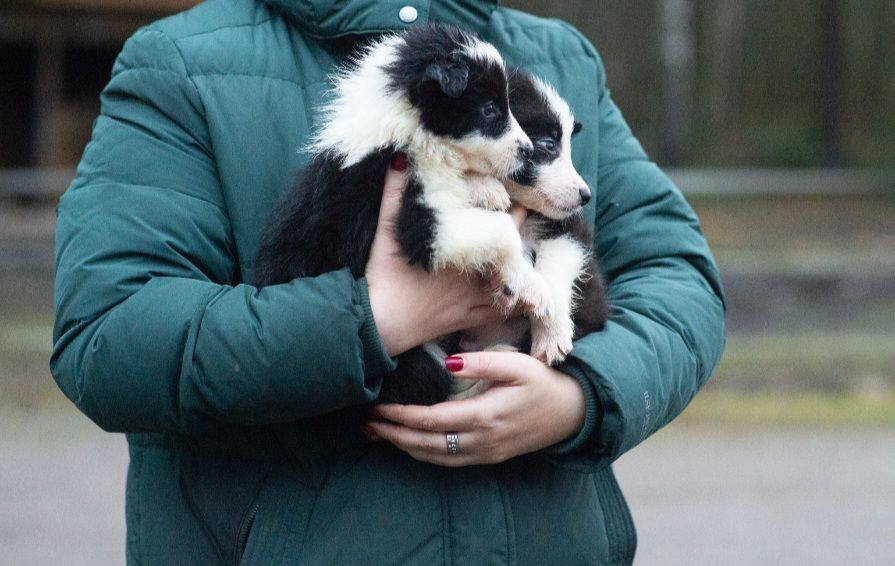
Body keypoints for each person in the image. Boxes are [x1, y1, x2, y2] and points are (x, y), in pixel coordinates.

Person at [51, 1, 725, 564]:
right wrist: (371, 319)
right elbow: (107, 337)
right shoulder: (179, 63)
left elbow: (678, 277)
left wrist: (581, 397)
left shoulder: (560, 55)